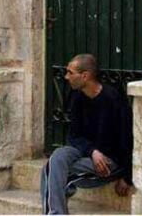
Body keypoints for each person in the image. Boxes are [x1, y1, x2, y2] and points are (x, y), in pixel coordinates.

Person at [41, 54, 133, 215]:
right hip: (87, 153)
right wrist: (92, 151)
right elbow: (73, 136)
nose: (66, 77)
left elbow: (127, 139)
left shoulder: (113, 99)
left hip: (108, 161)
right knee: (58, 156)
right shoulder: (77, 96)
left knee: (53, 171)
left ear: (85, 76)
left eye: (70, 72)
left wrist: (127, 176)